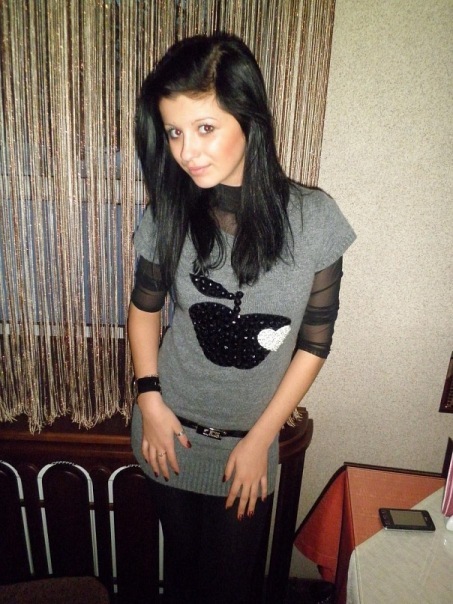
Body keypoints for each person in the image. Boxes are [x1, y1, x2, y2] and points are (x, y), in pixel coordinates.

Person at [128, 33, 356, 604]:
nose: (187, 151)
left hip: (249, 443)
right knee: (183, 583)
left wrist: (261, 439)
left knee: (229, 589)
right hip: (168, 432)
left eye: (205, 127)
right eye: (175, 132)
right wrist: (149, 400)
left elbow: (314, 341)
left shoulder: (314, 219)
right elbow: (144, 310)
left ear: (249, 119)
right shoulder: (169, 213)